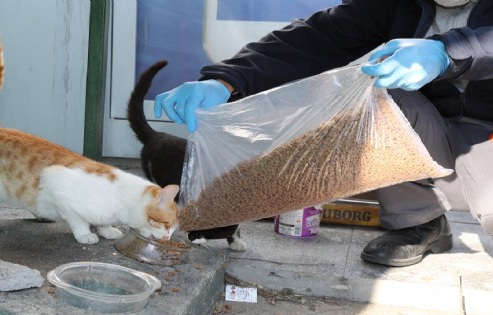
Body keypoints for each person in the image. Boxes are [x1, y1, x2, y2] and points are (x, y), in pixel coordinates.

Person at [154, 0, 493, 267]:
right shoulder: (397, 4)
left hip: (485, 139)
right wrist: (226, 79)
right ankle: (419, 221)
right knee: (375, 95)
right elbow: (313, 39)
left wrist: (448, 53)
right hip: (432, 130)